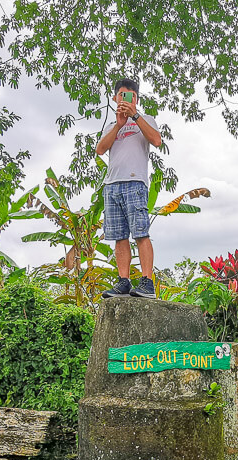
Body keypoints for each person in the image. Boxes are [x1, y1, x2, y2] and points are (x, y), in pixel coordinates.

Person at [96, 78, 162, 298]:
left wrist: (134, 115)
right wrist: (119, 124)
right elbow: (100, 149)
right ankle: (123, 281)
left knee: (141, 233)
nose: (125, 100)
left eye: (130, 96)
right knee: (119, 236)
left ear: (136, 99)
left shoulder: (146, 119)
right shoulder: (111, 125)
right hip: (112, 184)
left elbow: (156, 140)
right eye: (121, 95)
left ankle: (147, 282)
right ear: (115, 98)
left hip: (135, 182)